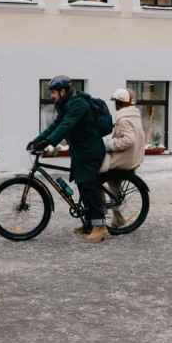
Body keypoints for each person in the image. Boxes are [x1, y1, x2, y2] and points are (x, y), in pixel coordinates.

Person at [28, 76, 108, 242]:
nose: (52, 96)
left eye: (54, 92)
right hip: (80, 151)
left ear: (63, 91)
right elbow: (55, 125)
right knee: (82, 184)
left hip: (90, 150)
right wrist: (38, 140)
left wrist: (49, 142)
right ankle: (89, 223)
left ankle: (100, 227)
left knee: (88, 185)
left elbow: (66, 126)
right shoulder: (65, 104)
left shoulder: (78, 104)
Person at [101, 88, 146, 228]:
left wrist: (109, 145)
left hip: (123, 159)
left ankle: (99, 214)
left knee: (94, 177)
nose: (115, 105)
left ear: (120, 103)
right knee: (114, 186)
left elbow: (128, 140)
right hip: (132, 158)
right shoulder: (133, 116)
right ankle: (118, 218)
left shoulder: (124, 119)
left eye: (116, 102)